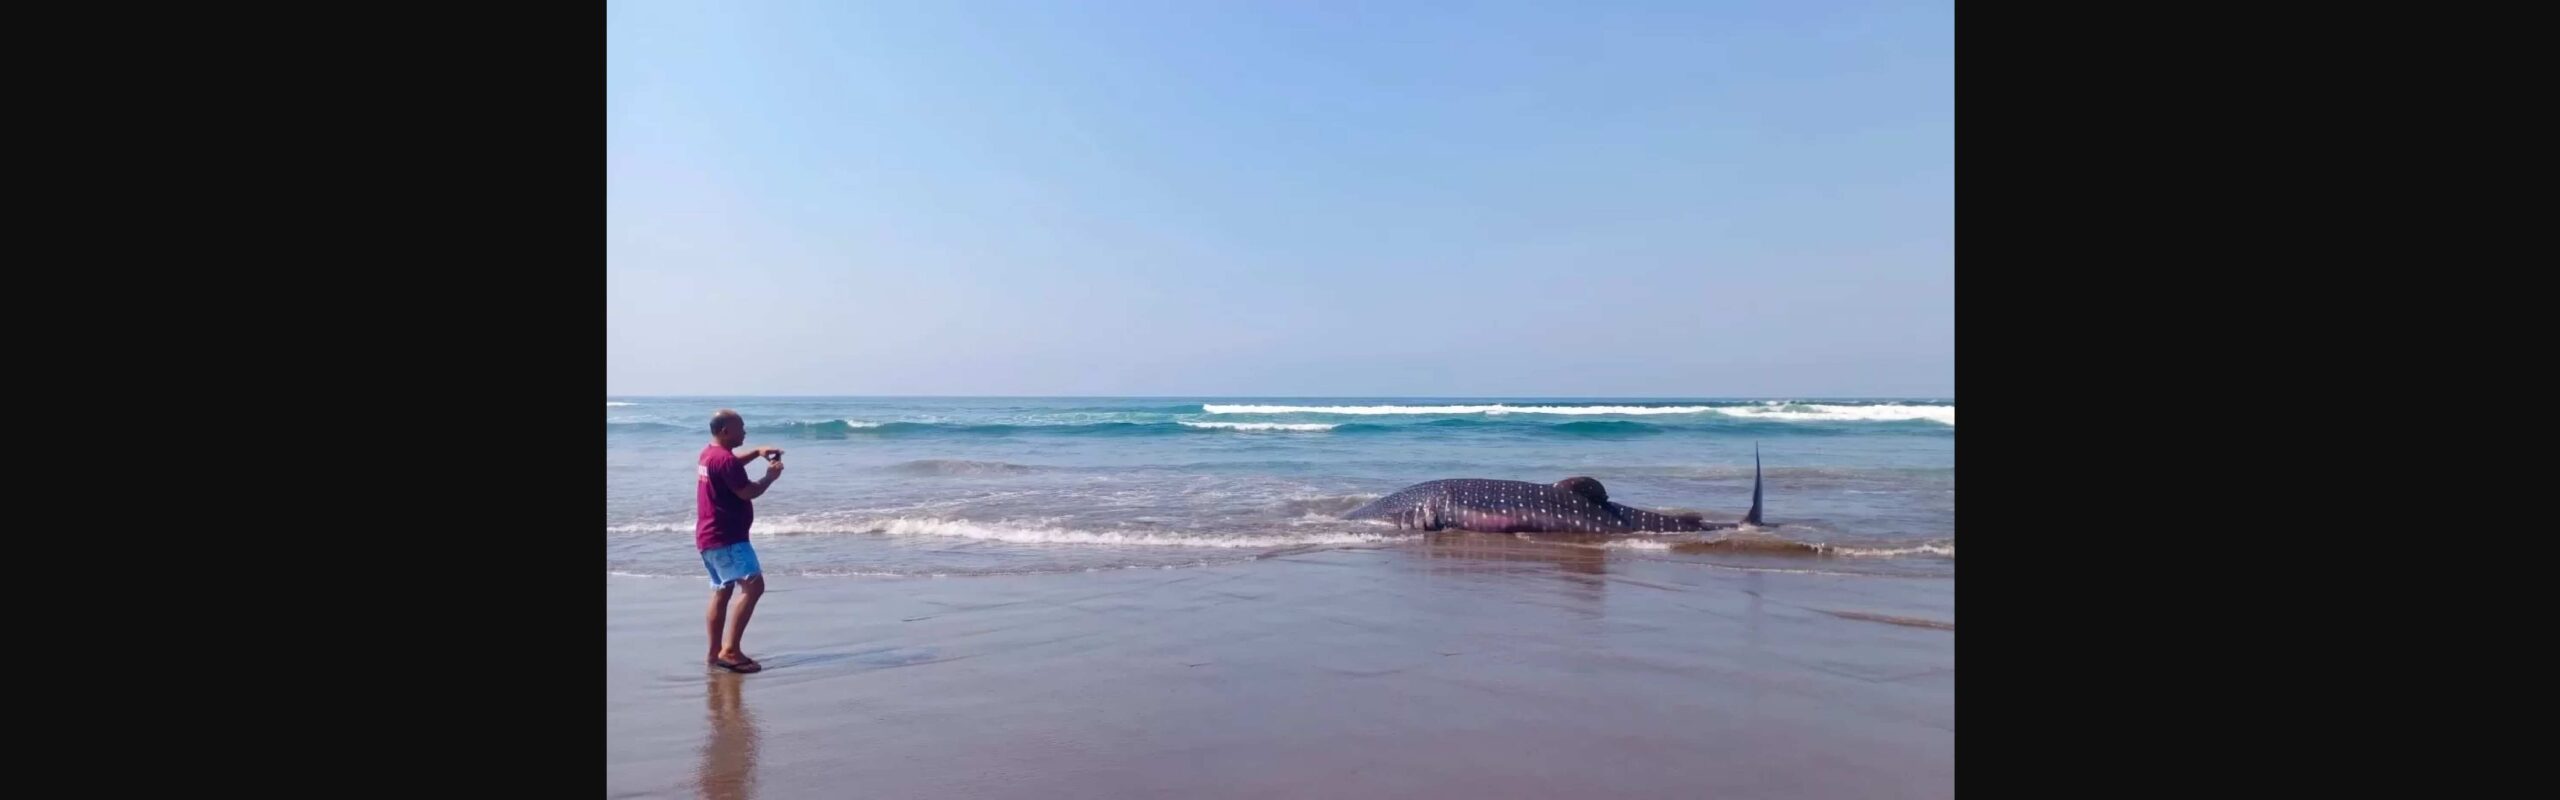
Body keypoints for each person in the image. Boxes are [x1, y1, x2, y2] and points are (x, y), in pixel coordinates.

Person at [699, 409, 783, 673]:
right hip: (728, 537)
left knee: (722, 591)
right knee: (754, 586)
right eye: (741, 427)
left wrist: (757, 452)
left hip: (709, 536)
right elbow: (747, 492)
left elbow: (731, 466)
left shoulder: (709, 454)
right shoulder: (725, 461)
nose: (744, 431)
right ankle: (731, 651)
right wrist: (769, 477)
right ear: (726, 431)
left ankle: (715, 652)